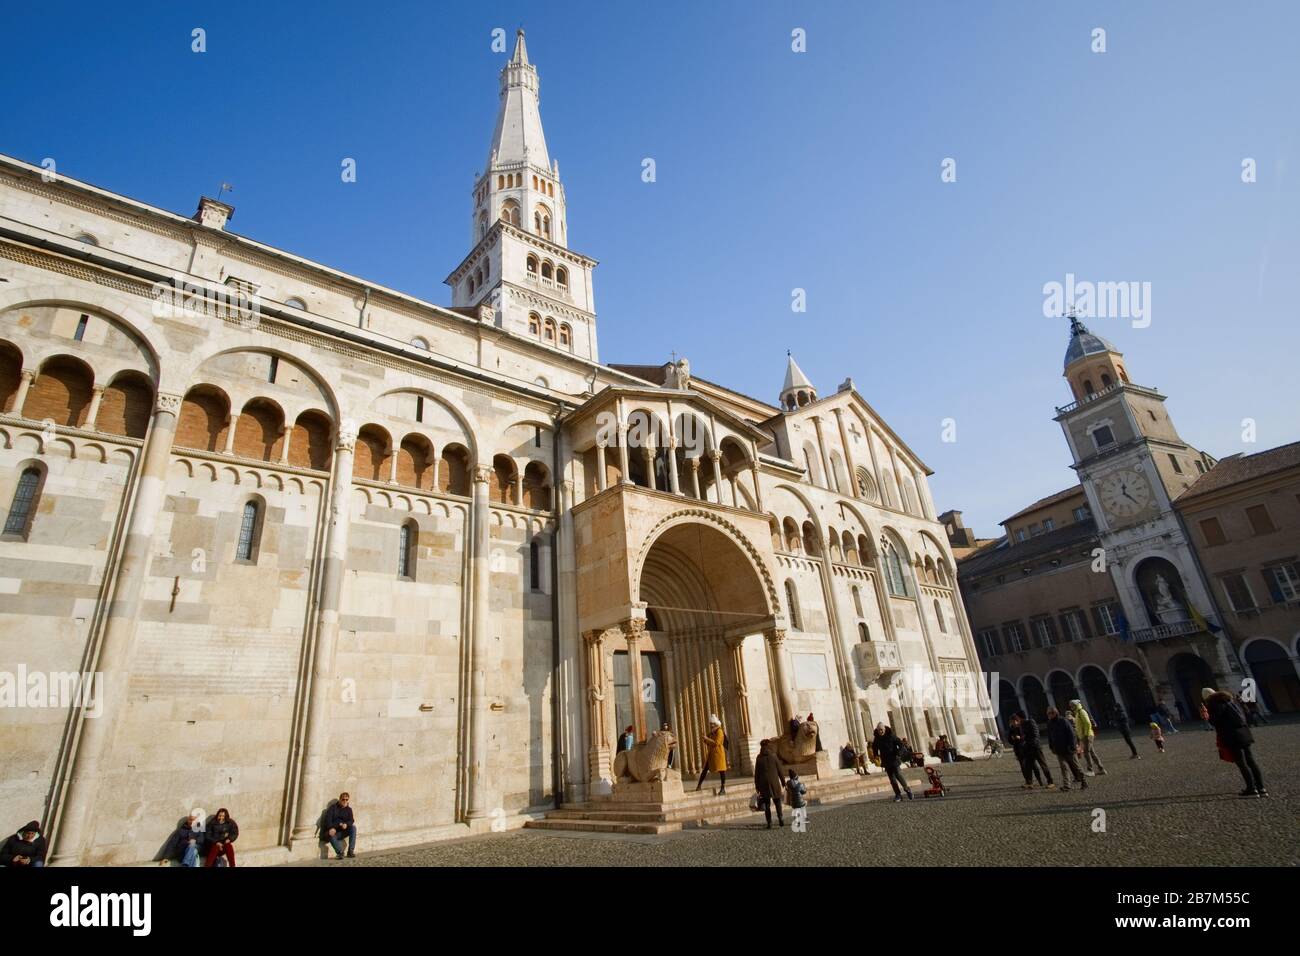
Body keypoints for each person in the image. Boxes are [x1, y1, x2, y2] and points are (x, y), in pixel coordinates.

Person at [1203, 688, 1267, 798]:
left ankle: (1251, 788)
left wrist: (1207, 716)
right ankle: (1261, 788)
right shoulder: (1229, 700)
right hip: (1244, 731)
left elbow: (1214, 721)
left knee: (1241, 763)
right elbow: (1243, 714)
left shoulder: (1214, 704)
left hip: (1231, 735)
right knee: (1251, 760)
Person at [1045, 707, 1088, 791]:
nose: (1048, 715)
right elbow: (1050, 736)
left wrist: (1072, 746)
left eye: (1050, 713)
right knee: (1063, 768)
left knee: (1076, 766)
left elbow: (1071, 734)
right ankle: (1067, 785)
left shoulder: (1063, 721)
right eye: (1048, 714)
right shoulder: (1049, 723)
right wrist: (1051, 746)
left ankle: (1084, 781)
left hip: (1068, 749)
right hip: (1058, 750)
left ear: (1055, 713)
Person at [874, 723, 914, 802]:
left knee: (898, 774)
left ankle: (907, 789)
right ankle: (898, 794)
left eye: (881, 730)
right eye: (879, 730)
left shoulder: (891, 736)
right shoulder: (877, 738)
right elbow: (874, 747)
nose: (880, 732)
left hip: (894, 758)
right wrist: (876, 755)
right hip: (885, 759)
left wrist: (899, 753)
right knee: (892, 779)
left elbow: (901, 745)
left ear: (884, 729)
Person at [753, 739, 785, 828]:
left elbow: (757, 774)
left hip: (764, 784)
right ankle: (780, 818)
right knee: (777, 801)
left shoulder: (759, 758)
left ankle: (769, 822)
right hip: (774, 782)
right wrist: (783, 782)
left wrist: (757, 786)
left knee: (767, 804)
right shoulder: (773, 756)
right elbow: (780, 770)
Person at [1070, 700, 1106, 776]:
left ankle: (1090, 770)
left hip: (1087, 735)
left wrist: (1085, 734)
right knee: (1092, 753)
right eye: (1070, 705)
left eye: (1072, 705)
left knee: (1086, 752)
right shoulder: (1077, 713)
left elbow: (1087, 723)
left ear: (1076, 705)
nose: (1071, 707)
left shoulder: (1081, 712)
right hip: (1084, 736)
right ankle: (1101, 769)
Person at [696, 714, 728, 795]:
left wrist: (707, 739)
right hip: (711, 754)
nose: (711, 725)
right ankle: (699, 786)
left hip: (719, 754)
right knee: (705, 769)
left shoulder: (720, 731)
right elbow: (709, 742)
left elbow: (716, 743)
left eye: (712, 724)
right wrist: (705, 739)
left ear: (716, 724)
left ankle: (723, 788)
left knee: (722, 771)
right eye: (710, 724)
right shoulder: (712, 732)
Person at [323, 792, 357, 859]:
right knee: (331, 834)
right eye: (343, 799)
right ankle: (340, 852)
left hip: (342, 832)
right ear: (340, 799)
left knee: (353, 828)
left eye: (346, 800)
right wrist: (332, 827)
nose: (345, 801)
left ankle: (350, 851)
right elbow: (327, 821)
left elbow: (351, 820)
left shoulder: (349, 809)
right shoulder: (332, 808)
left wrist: (346, 824)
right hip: (333, 832)